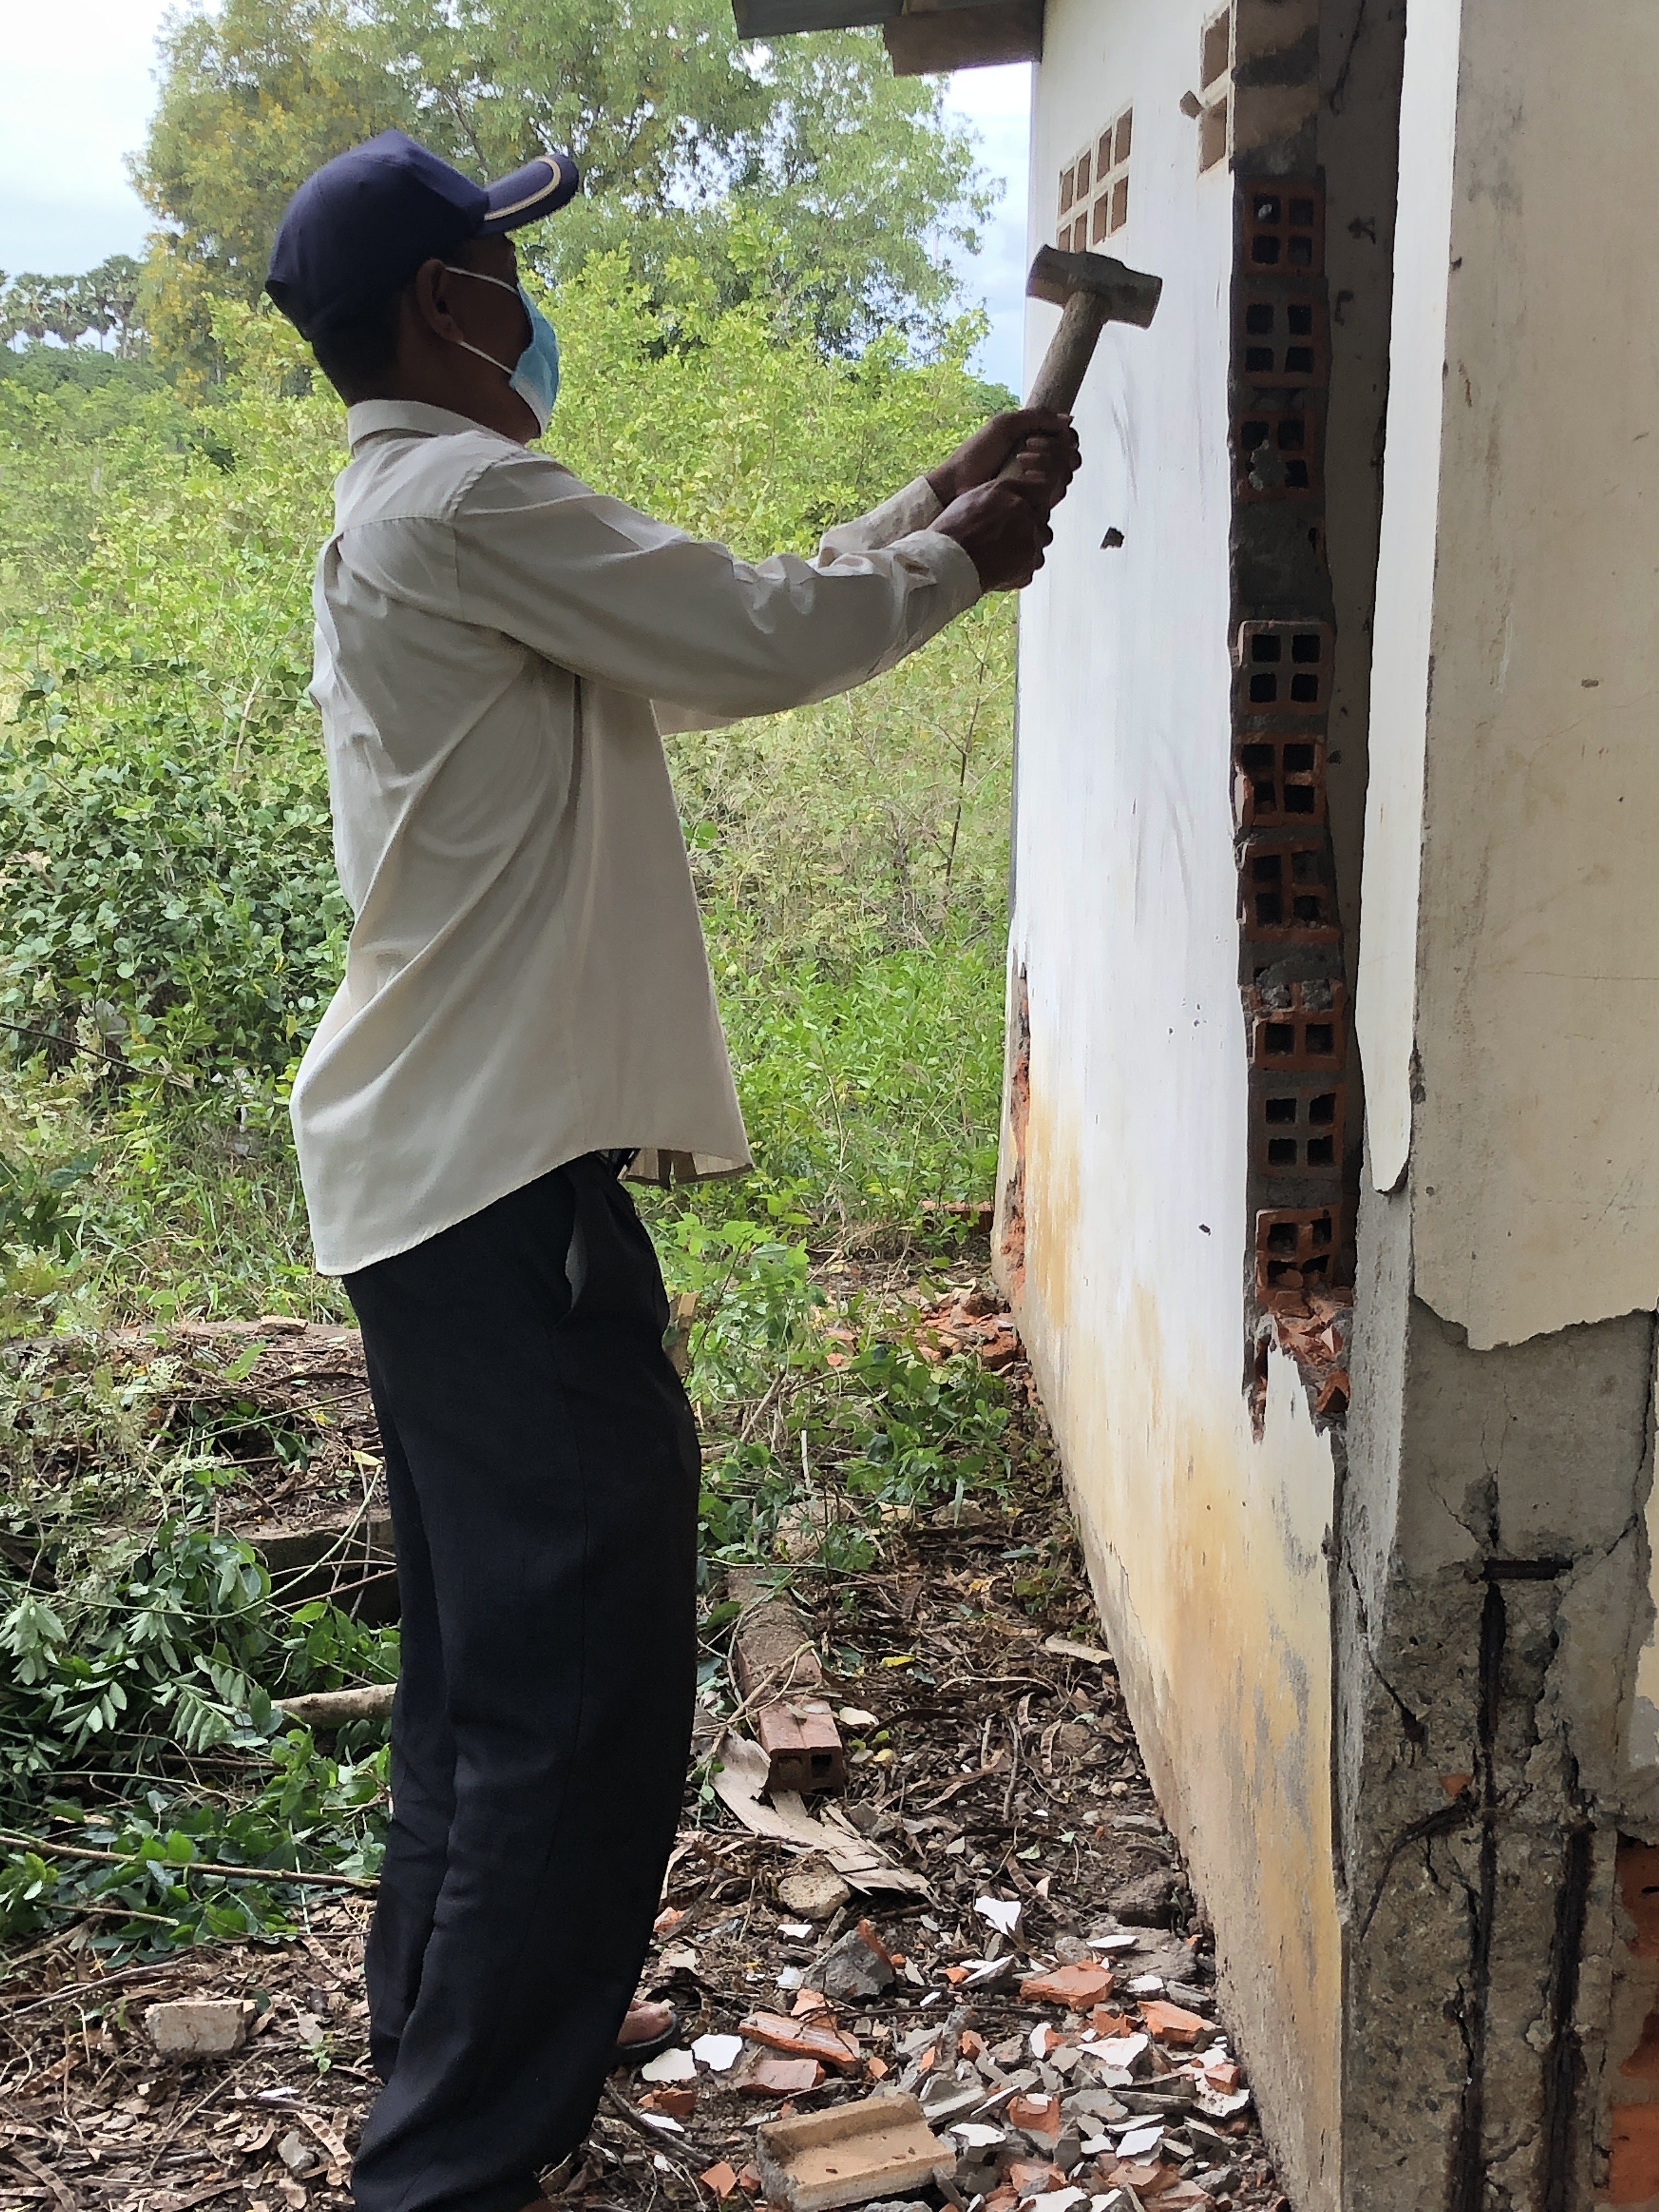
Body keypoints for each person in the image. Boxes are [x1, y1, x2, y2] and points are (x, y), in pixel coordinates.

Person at [264, 127, 1079, 2212]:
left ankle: (444, 2067)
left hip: (442, 1179)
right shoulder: (472, 495)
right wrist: (959, 563)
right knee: (580, 1698)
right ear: (446, 307)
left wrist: (923, 512)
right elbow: (747, 634)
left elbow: (693, 630)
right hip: (499, 1182)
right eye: (501, 267)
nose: (523, 304)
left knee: (484, 1680)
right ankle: (449, 2170)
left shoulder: (411, 512)